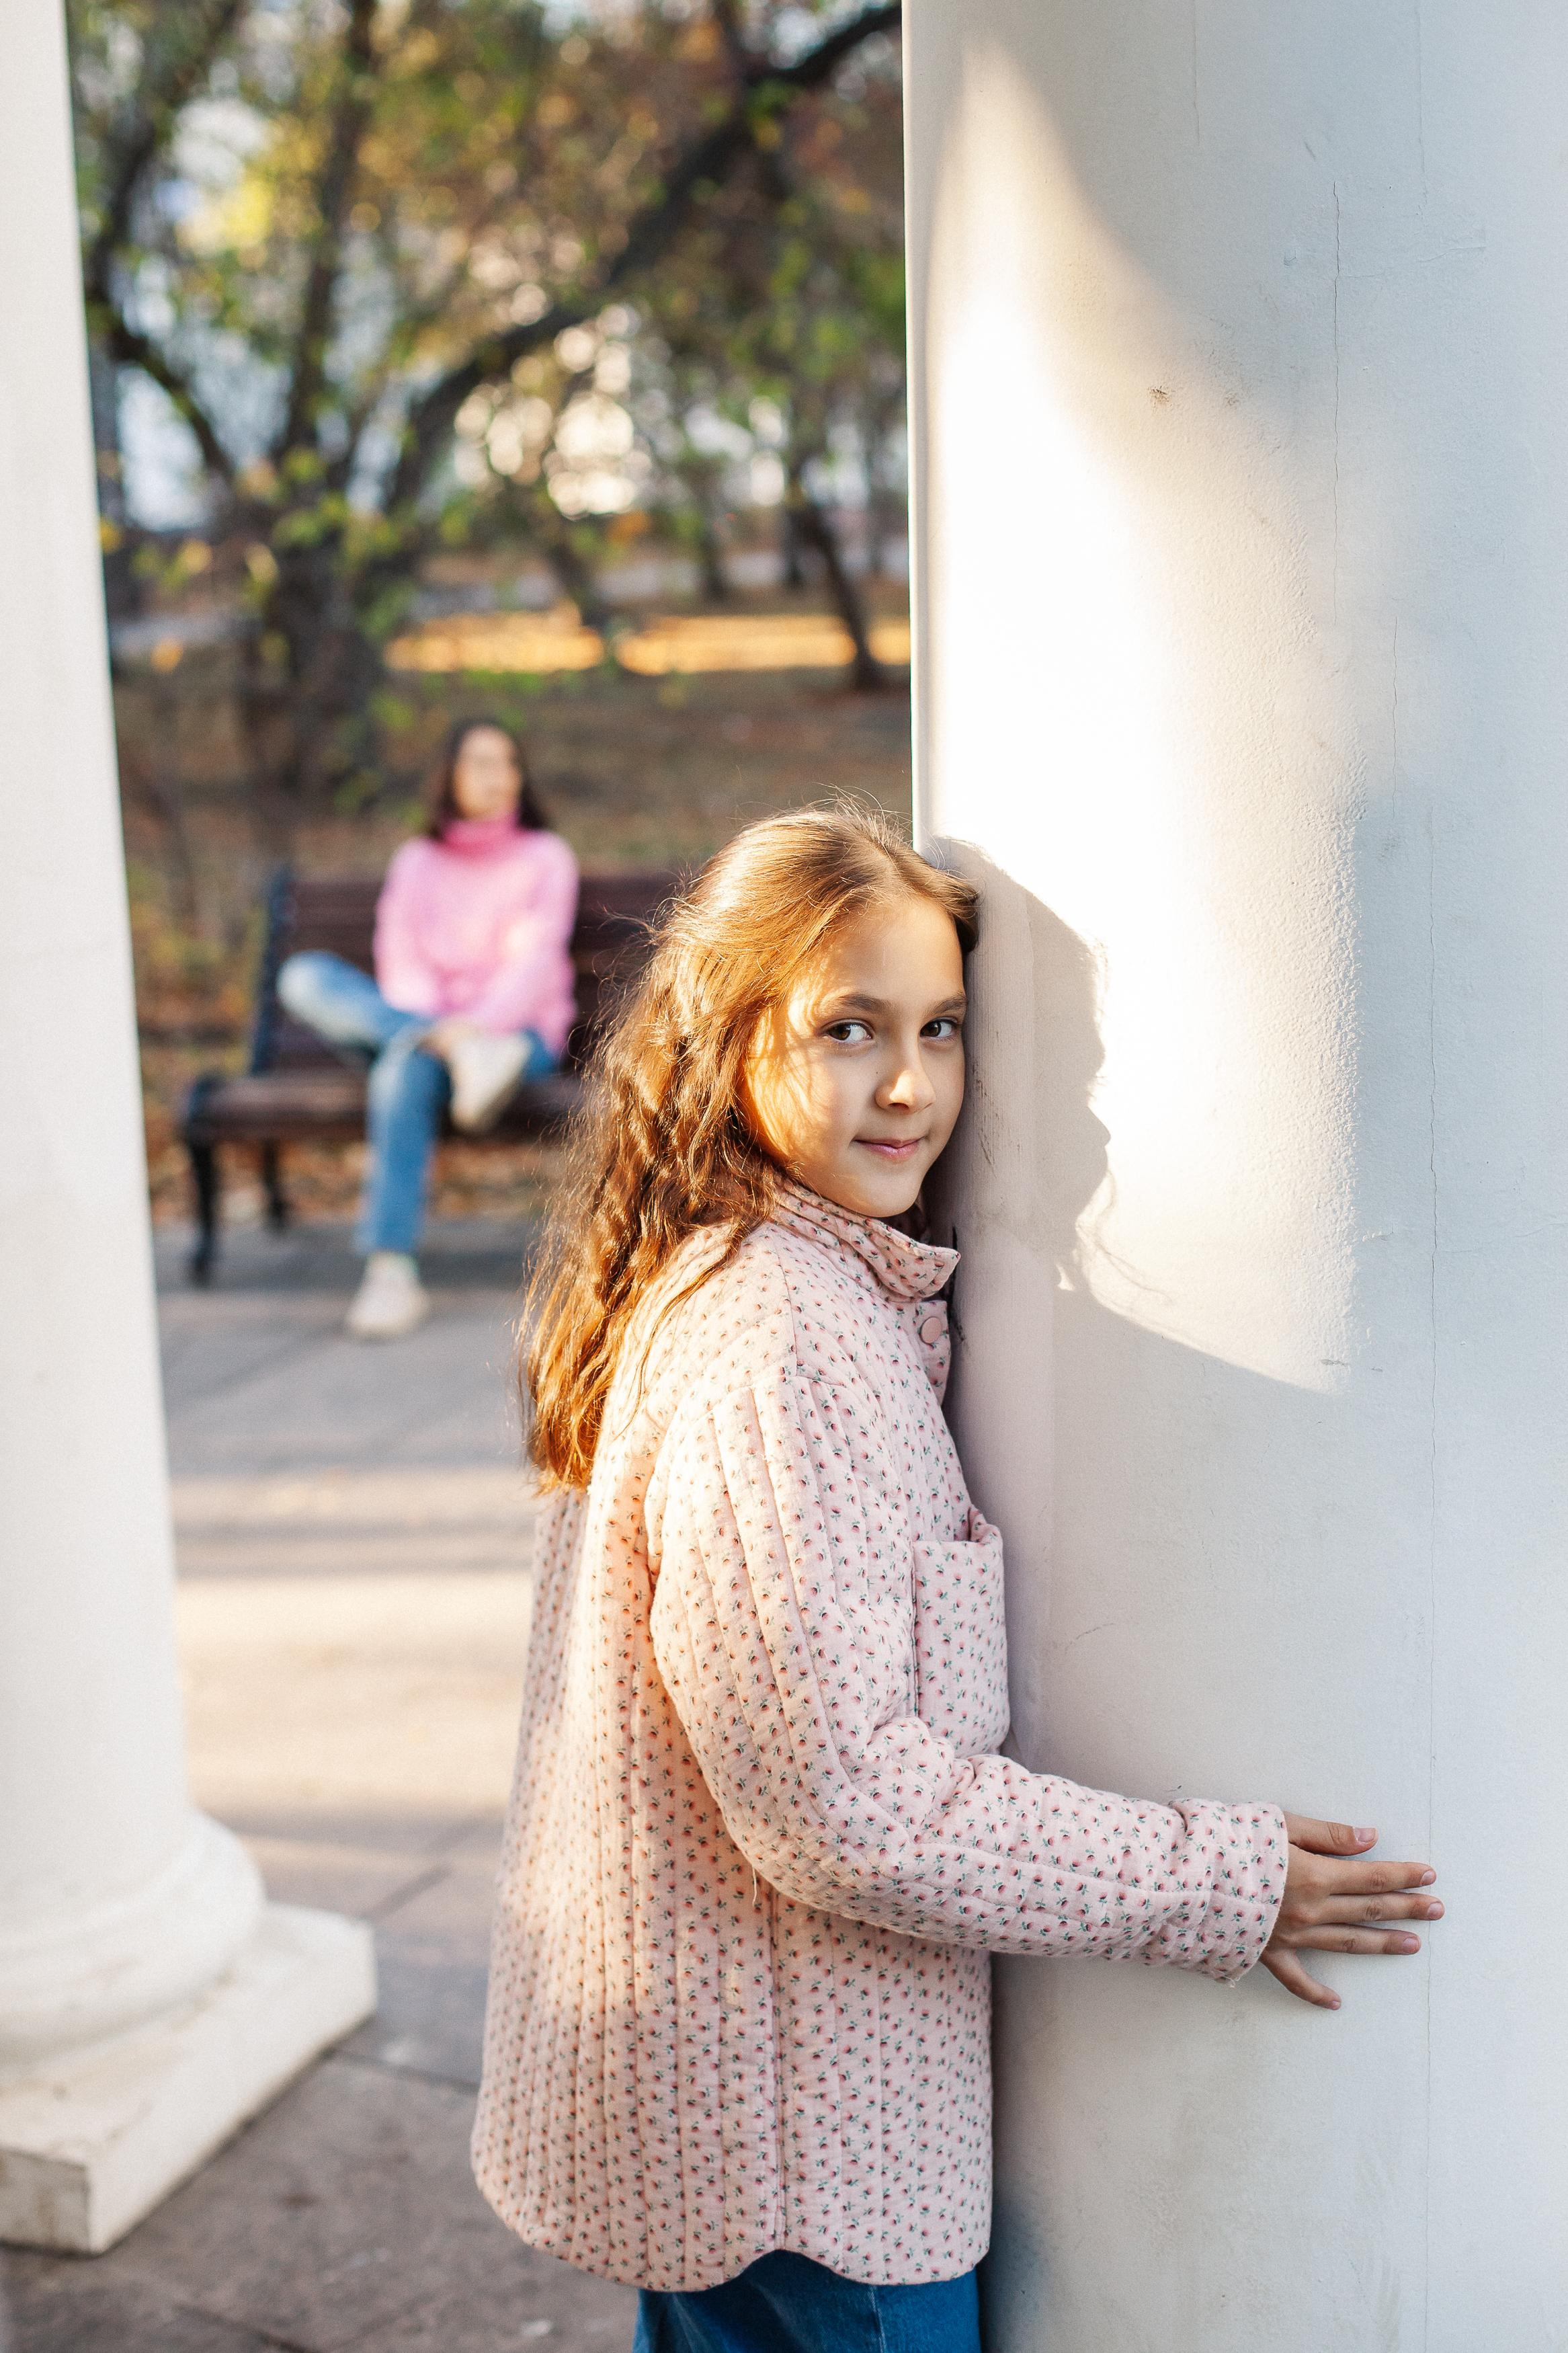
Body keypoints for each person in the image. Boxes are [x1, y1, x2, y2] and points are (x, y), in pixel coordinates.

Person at [472, 807, 1444, 2352]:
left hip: (748, 2134)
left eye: (940, 1027)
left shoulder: (778, 1284)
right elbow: (846, 1807)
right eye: (848, 1028)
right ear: (732, 1036)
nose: (911, 1082)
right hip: (809, 2181)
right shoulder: (782, 1341)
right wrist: (1215, 1880)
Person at [278, 719, 578, 1340]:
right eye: (479, 763)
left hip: (515, 1044)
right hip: (442, 1040)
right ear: (450, 775)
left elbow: (535, 965)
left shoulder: (545, 858)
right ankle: (392, 1270)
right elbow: (401, 961)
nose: (496, 778)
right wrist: (445, 1033)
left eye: (507, 763)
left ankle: (390, 1271)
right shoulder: (417, 861)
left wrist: (478, 1027)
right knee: (305, 977)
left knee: (402, 1064)